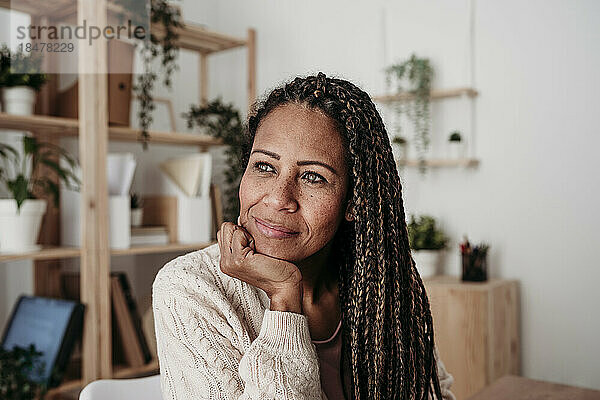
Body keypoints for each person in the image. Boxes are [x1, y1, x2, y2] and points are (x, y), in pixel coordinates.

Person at [153, 72, 456, 400]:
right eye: (265, 167)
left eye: (313, 177)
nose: (278, 198)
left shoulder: (381, 279)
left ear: (354, 201)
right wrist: (284, 299)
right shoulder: (188, 288)